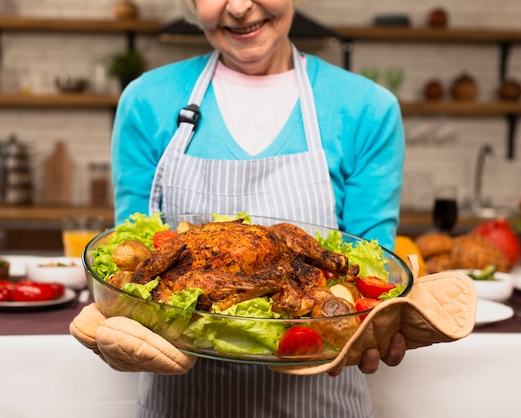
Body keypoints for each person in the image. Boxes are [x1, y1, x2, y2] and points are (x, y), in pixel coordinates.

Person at [73, 0, 407, 416]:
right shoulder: (147, 100)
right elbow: (130, 265)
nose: (239, 6)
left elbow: (374, 270)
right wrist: (117, 327)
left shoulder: (366, 109)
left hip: (320, 399)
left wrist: (382, 322)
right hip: (183, 402)